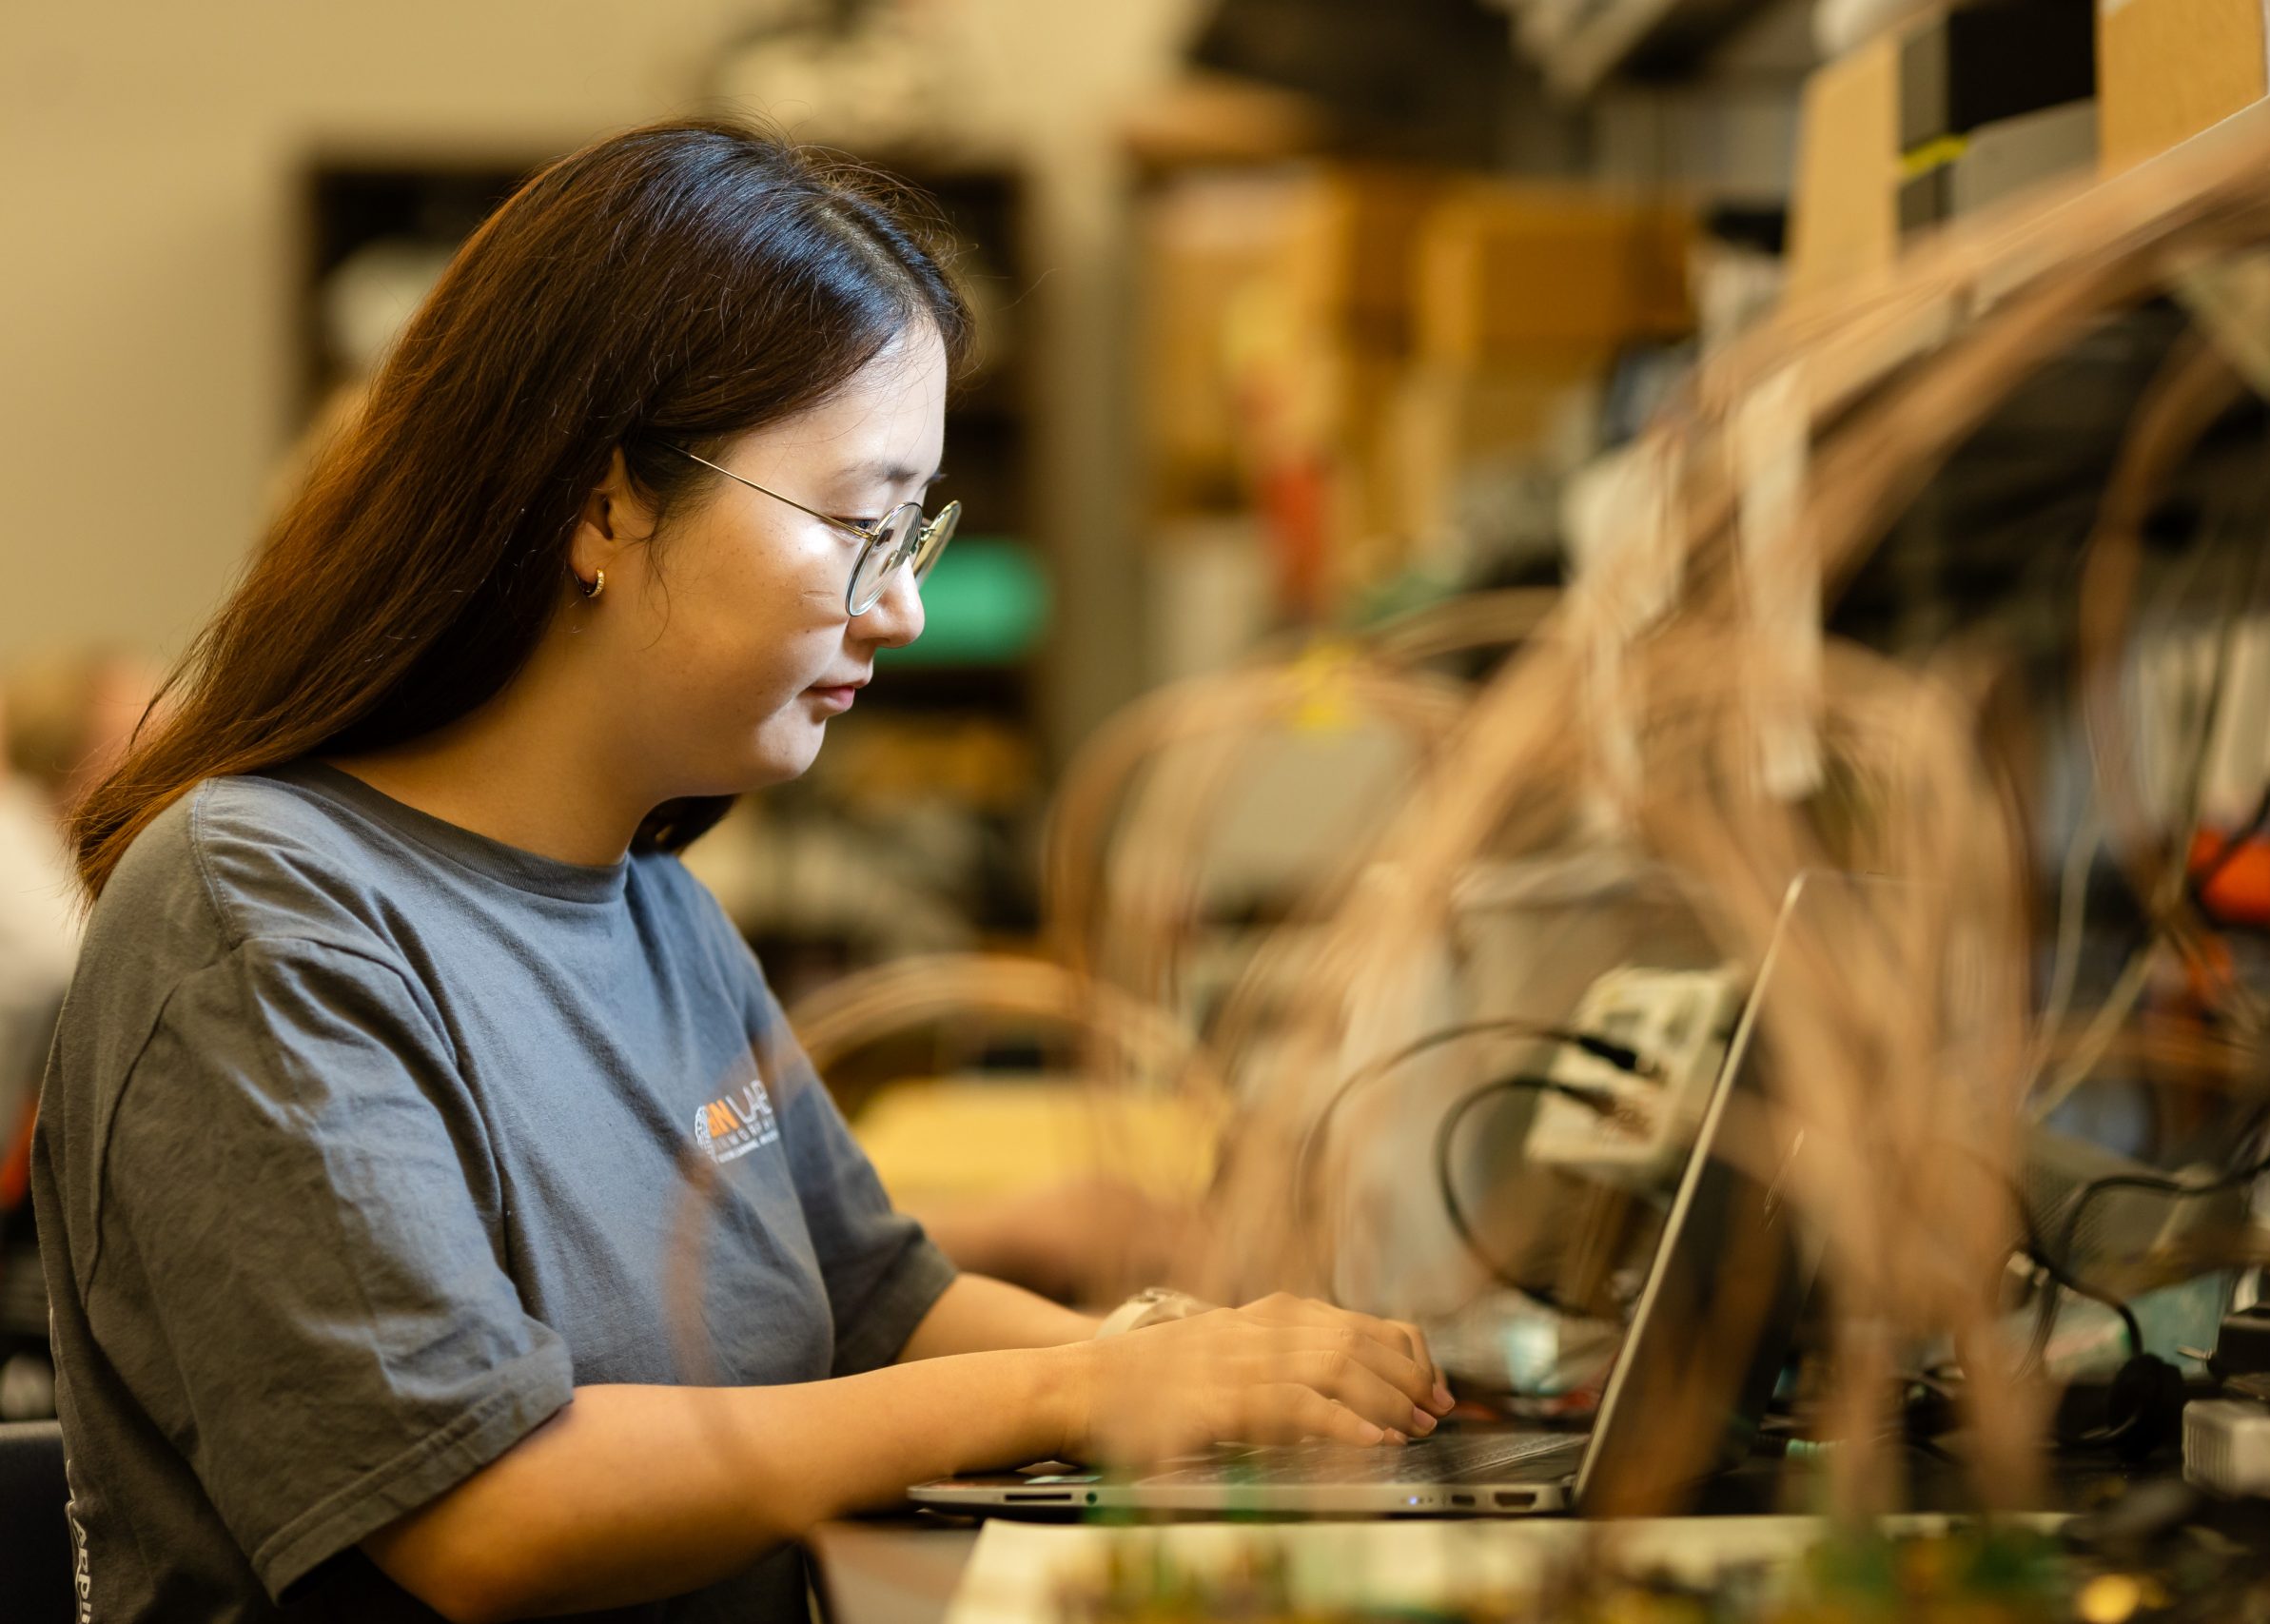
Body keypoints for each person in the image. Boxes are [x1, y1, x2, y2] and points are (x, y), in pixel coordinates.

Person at [37, 121, 1452, 1624]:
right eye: (858, 525)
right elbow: (493, 1512)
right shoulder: (259, 908)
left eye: (916, 534)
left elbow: (878, 1309)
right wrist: (1093, 1385)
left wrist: (1228, 1380)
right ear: (606, 507)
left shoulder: (657, 905)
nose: (901, 610)